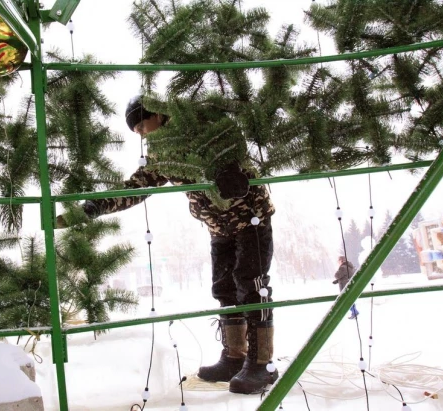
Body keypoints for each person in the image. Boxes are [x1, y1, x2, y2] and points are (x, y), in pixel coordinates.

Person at [56, 96, 277, 395]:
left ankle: (261, 363)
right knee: (224, 288)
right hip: (218, 226)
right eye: (137, 133)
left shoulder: (199, 125)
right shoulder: (163, 154)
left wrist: (234, 173)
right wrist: (97, 206)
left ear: (157, 115)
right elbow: (138, 187)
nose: (143, 136)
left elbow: (232, 142)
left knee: (252, 285)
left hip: (251, 218)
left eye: (141, 127)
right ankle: (234, 357)